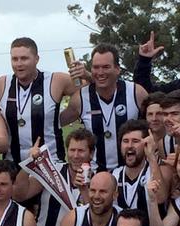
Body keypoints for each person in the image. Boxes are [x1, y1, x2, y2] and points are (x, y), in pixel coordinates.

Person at [0, 37, 78, 163]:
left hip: (50, 163)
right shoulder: (1, 84)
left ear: (36, 59)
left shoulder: (56, 80)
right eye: (14, 59)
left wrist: (60, 118)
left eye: (24, 58)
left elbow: (86, 93)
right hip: (12, 164)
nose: (19, 64)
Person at [60, 43, 148, 171]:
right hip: (96, 174)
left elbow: (156, 124)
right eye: (96, 67)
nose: (100, 72)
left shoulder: (135, 92)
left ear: (117, 69)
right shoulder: (81, 98)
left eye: (106, 67)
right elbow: (54, 122)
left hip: (132, 172)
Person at [13, 128, 94, 226]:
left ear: (91, 154)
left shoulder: (98, 180)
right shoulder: (52, 170)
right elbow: (19, 195)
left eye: (81, 151)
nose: (75, 155)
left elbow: (96, 217)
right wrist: (28, 164)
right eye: (72, 150)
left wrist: (84, 191)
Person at [111, 119, 171, 226]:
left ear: (146, 144)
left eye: (135, 141)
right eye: (125, 141)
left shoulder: (159, 170)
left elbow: (161, 196)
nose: (129, 146)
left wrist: (151, 157)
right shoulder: (114, 175)